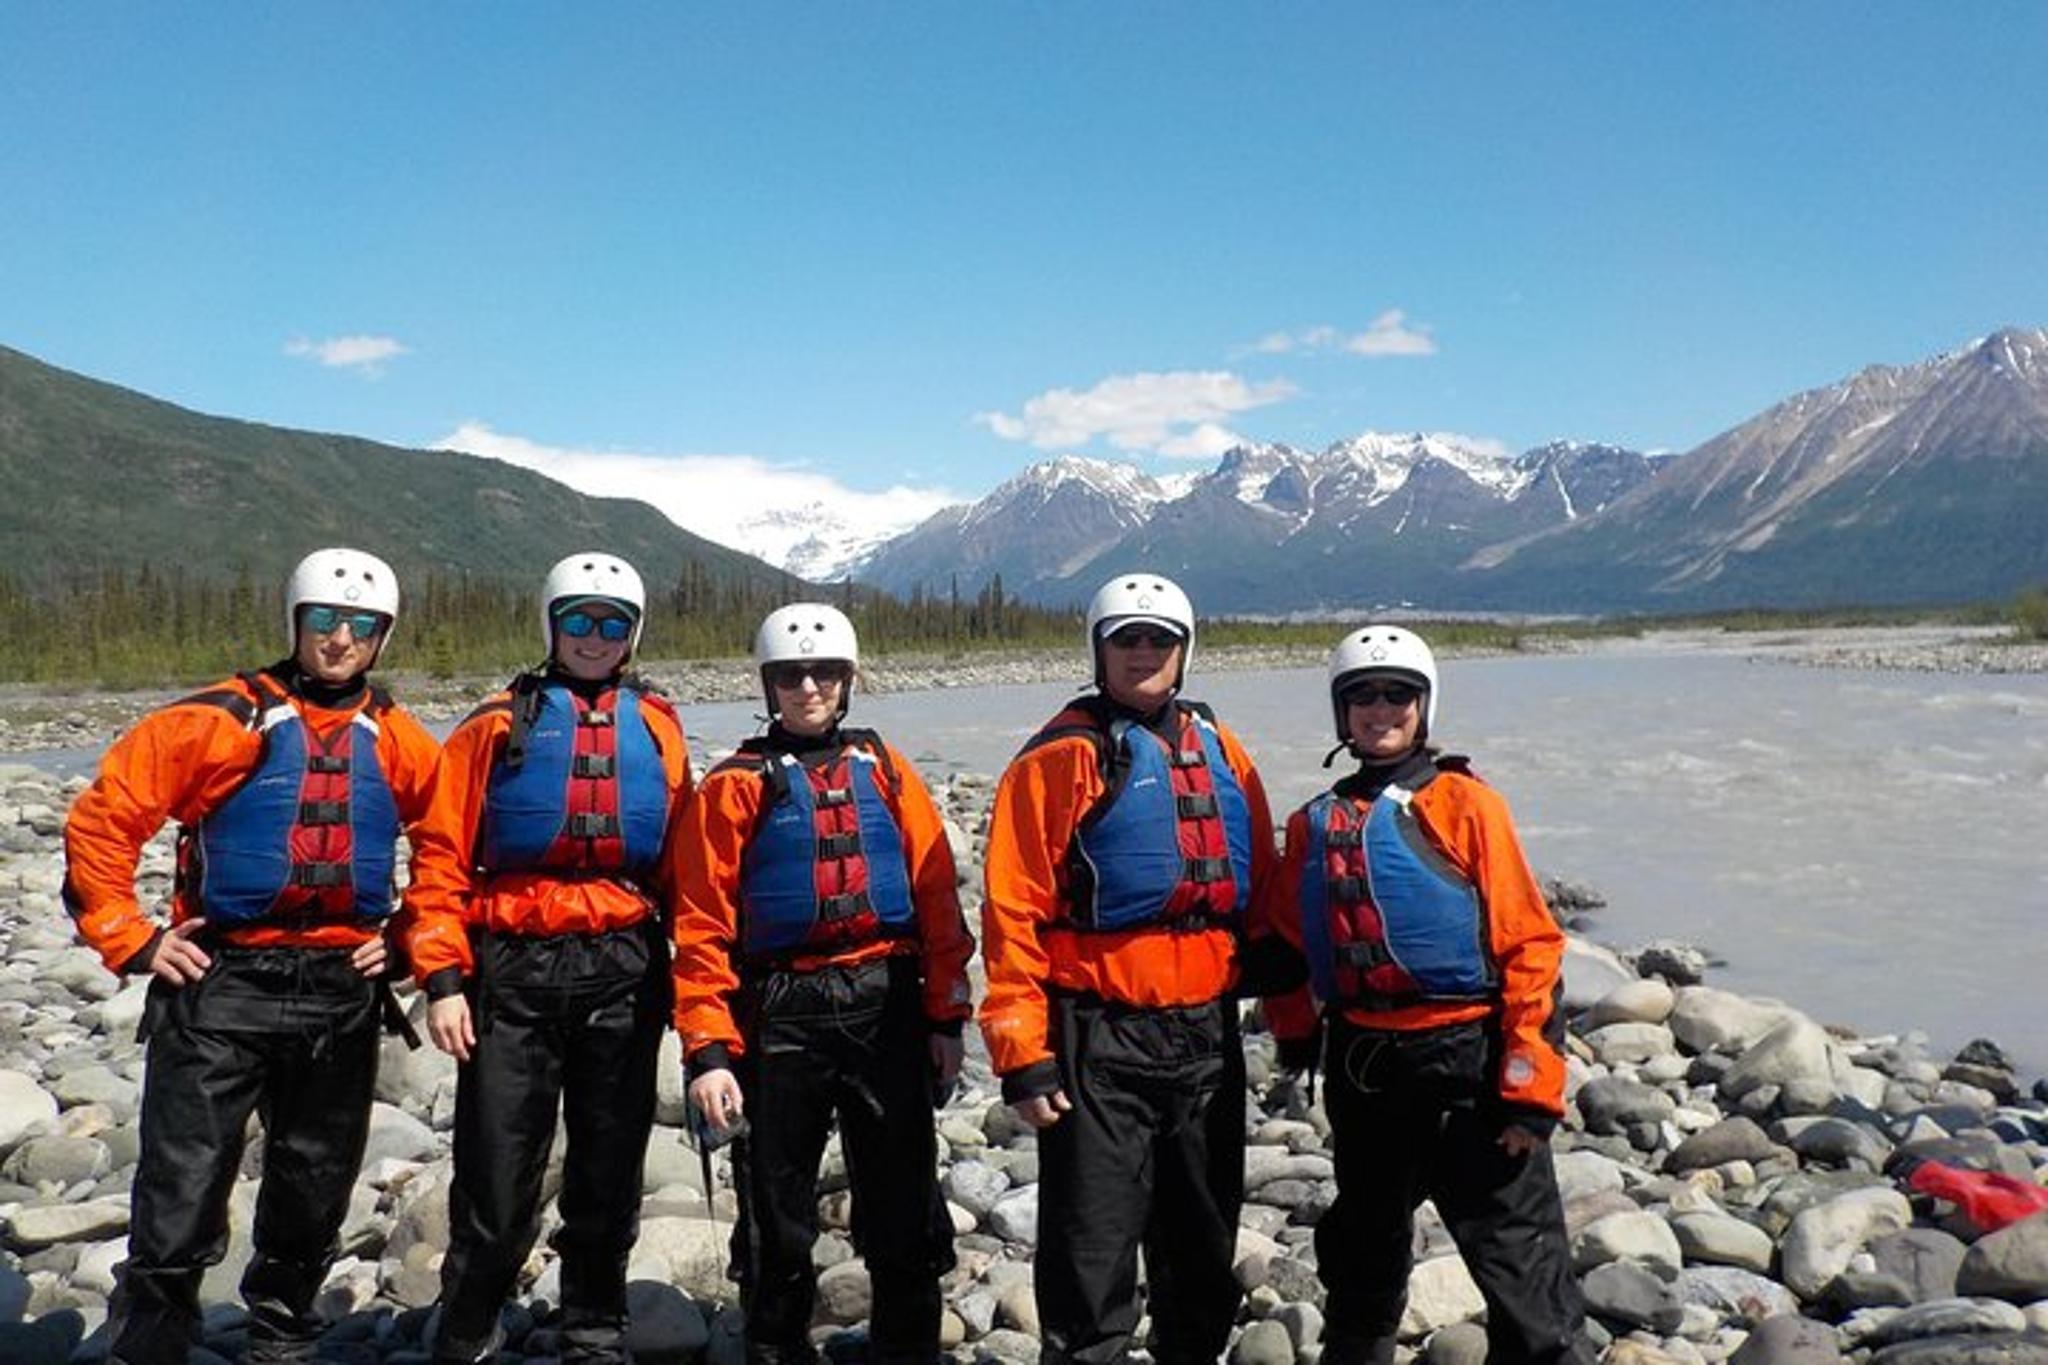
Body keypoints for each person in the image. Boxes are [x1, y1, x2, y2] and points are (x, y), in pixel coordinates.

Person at [61, 548, 439, 1365]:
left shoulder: (400, 738)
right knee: (182, 1181)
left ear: (383, 636)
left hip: (341, 986)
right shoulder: (218, 719)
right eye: (325, 620)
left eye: (362, 625)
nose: (341, 639)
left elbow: (447, 849)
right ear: (295, 620)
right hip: (222, 979)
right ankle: (153, 1339)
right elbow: (104, 820)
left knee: (315, 1181)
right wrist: (133, 937)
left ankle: (281, 1335)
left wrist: (407, 936)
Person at [1260, 625, 1592, 1365]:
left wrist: (1529, 1088)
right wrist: (1293, 1032)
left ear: (1424, 706)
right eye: (1363, 696)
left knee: (1521, 1265)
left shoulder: (1467, 805)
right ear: (1342, 713)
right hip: (1364, 1066)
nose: (1380, 709)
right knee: (1362, 1254)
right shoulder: (1314, 823)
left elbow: (1530, 946)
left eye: (1397, 695)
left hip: (1466, 1065)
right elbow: (1285, 941)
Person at [978, 571, 1279, 1365]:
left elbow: (1264, 887)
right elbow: (1011, 912)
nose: (1143, 652)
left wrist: (1295, 1012)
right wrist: (1022, 1052)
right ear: (1100, 650)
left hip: (1205, 1035)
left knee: (1202, 1244)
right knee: (1091, 1249)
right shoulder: (1058, 758)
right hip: (1098, 1037)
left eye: (1159, 639)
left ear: (1184, 651)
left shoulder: (1221, 749)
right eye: (1127, 639)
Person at [403, 552, 693, 1365]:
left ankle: (593, 1329)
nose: (594, 638)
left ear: (633, 634)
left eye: (612, 623)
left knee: (609, 1168)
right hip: (514, 967)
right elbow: (439, 858)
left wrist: (706, 987)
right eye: (578, 620)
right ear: (551, 624)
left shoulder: (658, 728)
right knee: (497, 1171)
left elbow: (686, 865)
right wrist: (443, 978)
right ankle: (468, 1323)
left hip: (624, 967)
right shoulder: (494, 725)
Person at [671, 602, 972, 1365]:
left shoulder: (886, 770)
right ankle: (777, 1348)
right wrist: (708, 1050)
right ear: (768, 684)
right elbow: (701, 925)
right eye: (791, 675)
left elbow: (937, 898)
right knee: (776, 1216)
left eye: (825, 673)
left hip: (886, 1002)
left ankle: (907, 1352)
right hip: (780, 1011)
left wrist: (945, 1017)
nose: (808, 687)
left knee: (905, 1206)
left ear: (848, 679)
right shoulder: (735, 787)